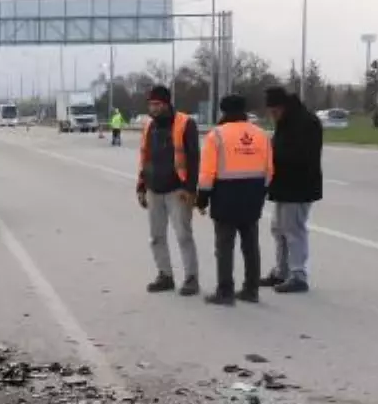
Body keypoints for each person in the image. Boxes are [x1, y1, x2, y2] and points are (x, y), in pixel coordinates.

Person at [196, 94, 274, 305]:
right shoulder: (262, 135)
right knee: (250, 245)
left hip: (225, 196)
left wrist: (202, 199)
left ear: (223, 111)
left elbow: (207, 173)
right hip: (253, 195)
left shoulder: (217, 135)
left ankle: (225, 291)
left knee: (224, 246)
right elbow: (269, 170)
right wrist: (261, 193)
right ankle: (251, 289)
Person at [137, 85, 201, 296]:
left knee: (183, 235)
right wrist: (141, 185)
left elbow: (193, 158)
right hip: (154, 190)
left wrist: (189, 188)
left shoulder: (185, 123)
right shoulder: (149, 126)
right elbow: (144, 158)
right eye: (151, 104)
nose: (153, 108)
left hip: (177, 190)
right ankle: (165, 275)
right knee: (156, 236)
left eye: (157, 104)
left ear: (166, 104)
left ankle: (191, 278)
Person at [262, 87, 323, 293]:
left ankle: (298, 274)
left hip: (299, 186)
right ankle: (282, 271)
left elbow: (302, 156)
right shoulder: (286, 122)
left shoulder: (306, 123)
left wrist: (274, 158)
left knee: (294, 230)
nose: (272, 116)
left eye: (274, 112)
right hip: (283, 186)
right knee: (278, 229)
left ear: (283, 106)